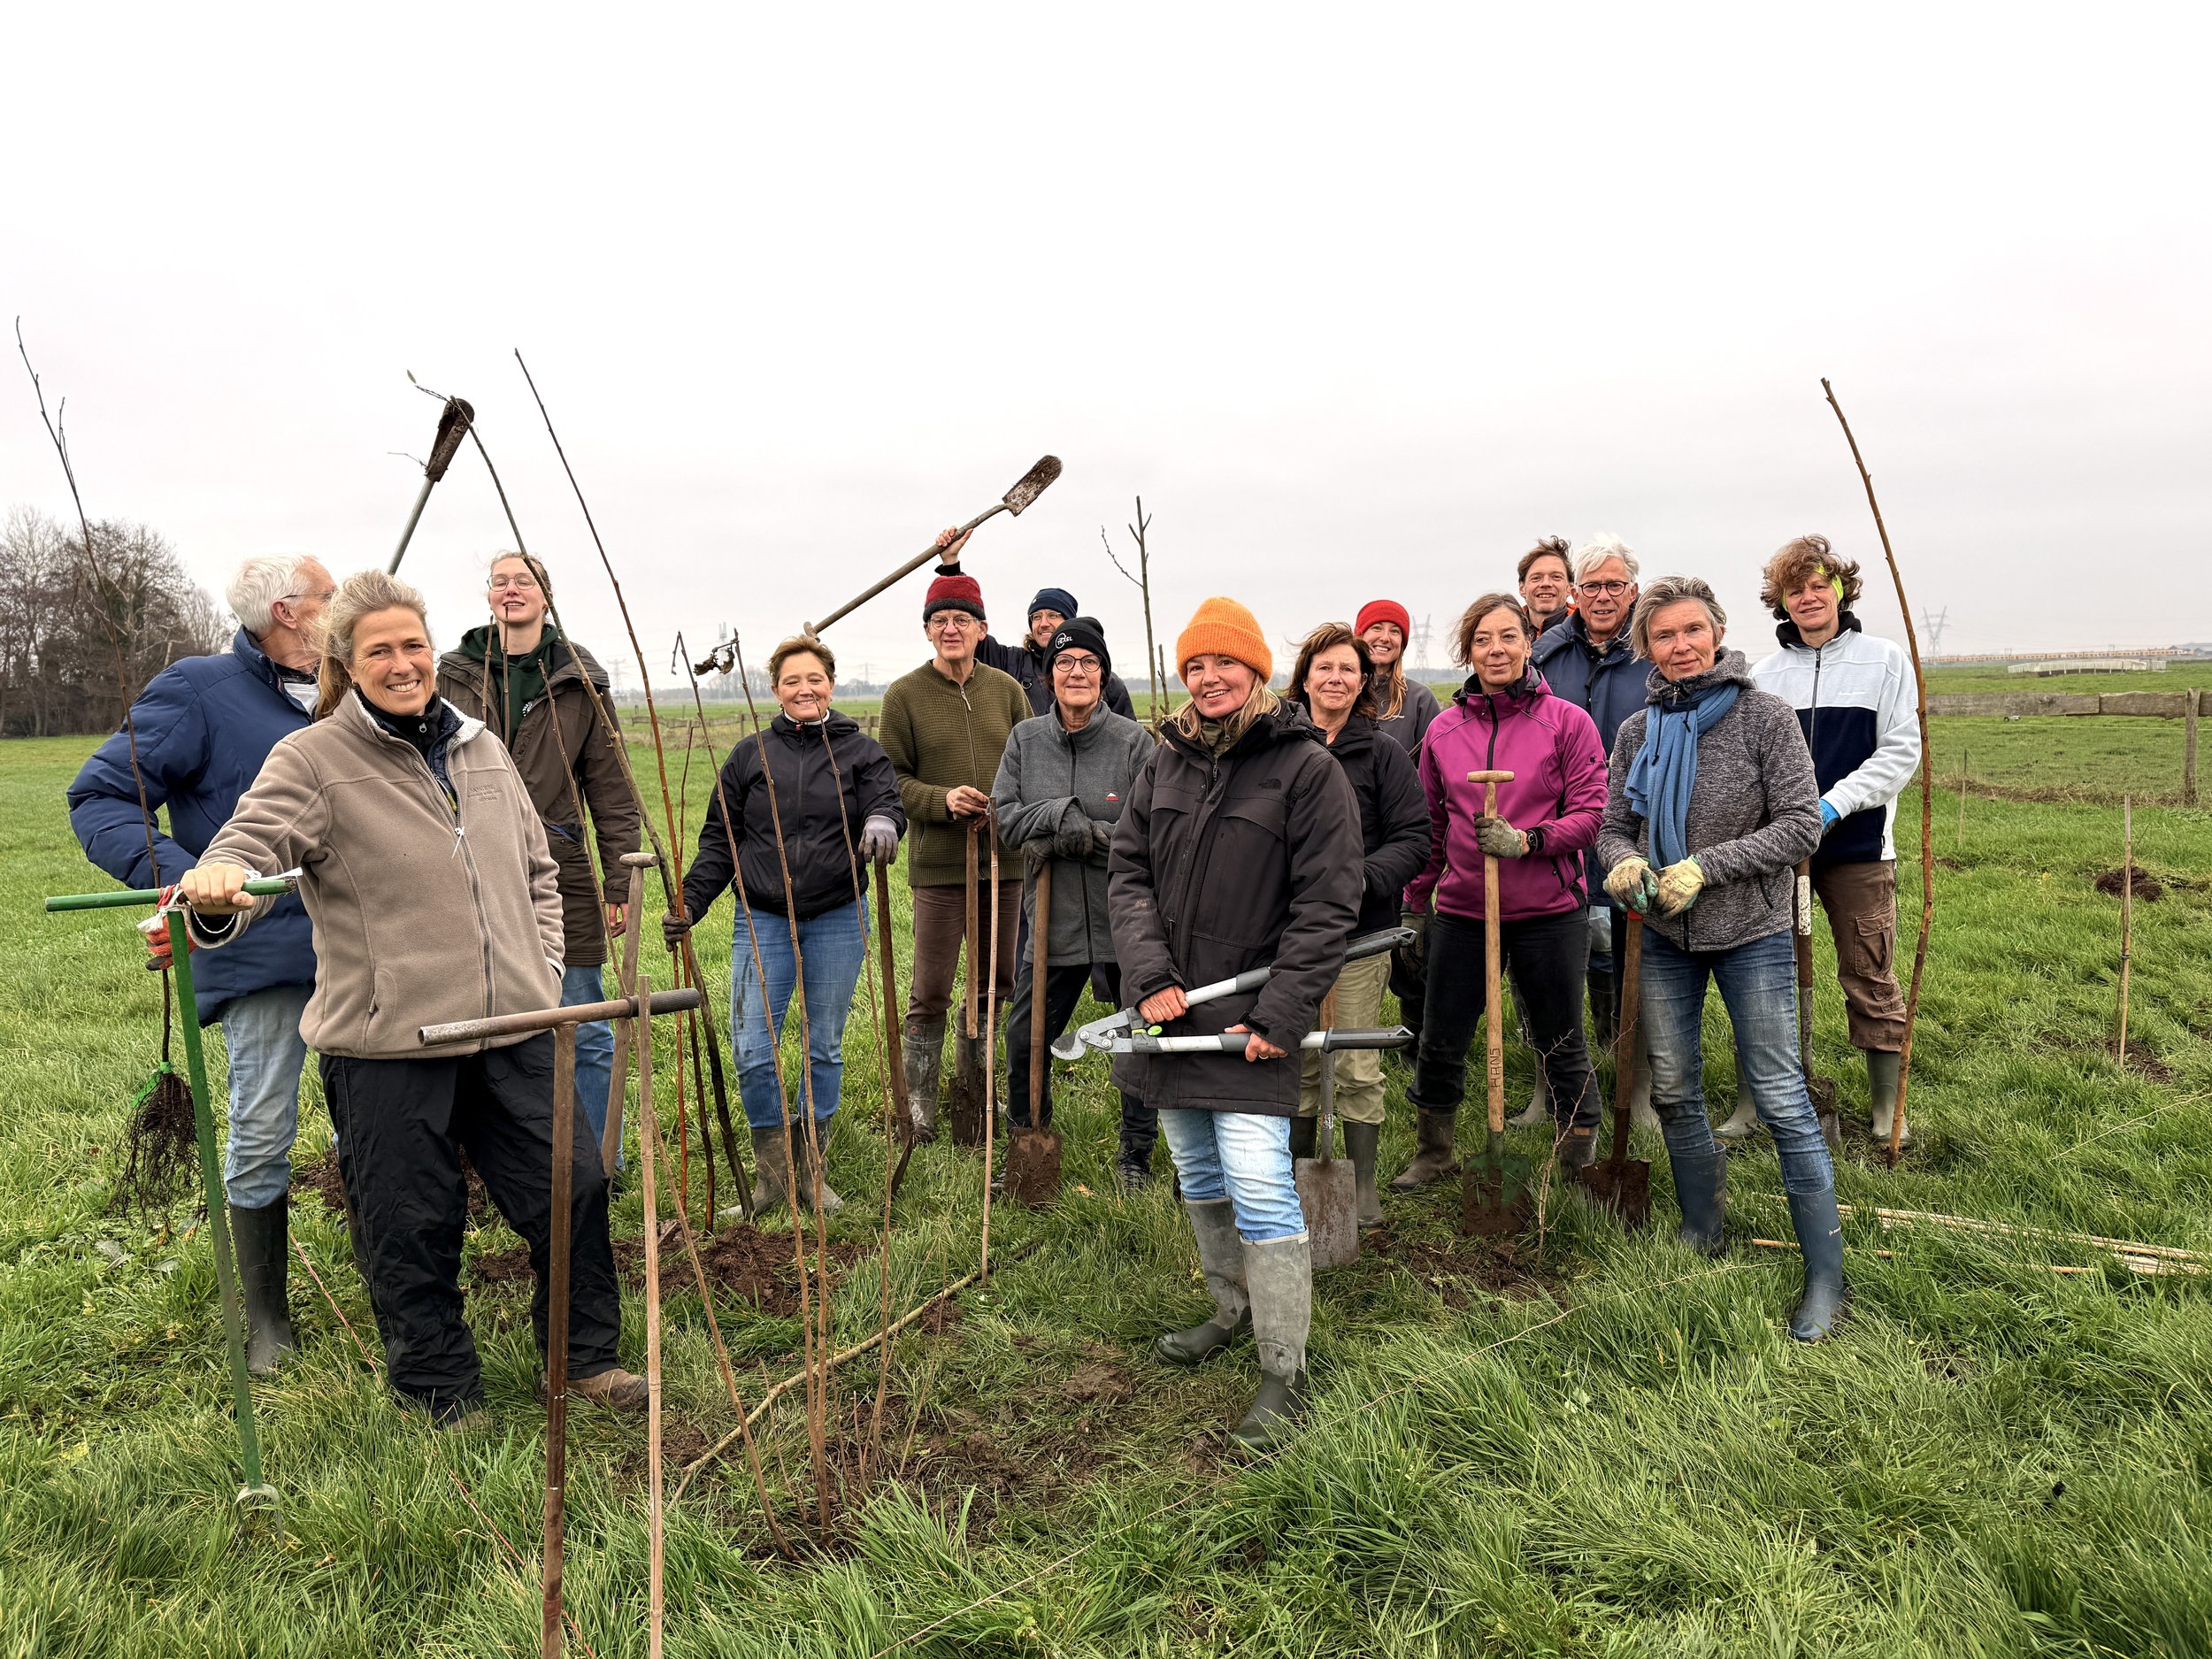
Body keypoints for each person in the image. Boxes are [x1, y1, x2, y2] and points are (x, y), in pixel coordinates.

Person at [174, 570, 646, 1425]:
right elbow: (248, 842)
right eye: (380, 650)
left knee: (573, 1185)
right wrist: (219, 883)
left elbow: (539, 868)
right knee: (410, 1222)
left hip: (514, 1024)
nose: (403, 663)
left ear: (435, 650)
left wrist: (539, 965)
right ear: (347, 665)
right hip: (388, 1043)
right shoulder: (313, 758)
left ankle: (582, 1358)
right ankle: (439, 1392)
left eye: (414, 644)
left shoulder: (481, 747)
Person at [66, 552, 332, 1376]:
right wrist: (182, 878)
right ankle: (265, 1321)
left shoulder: (343, 689)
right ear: (287, 611)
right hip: (263, 952)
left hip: (366, 945)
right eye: (327, 597)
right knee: (262, 1127)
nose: (338, 605)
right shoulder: (199, 690)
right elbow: (100, 795)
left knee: (379, 1116)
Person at [1110, 597, 1362, 1451]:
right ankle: (1230, 1309)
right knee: (1195, 1166)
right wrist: (1147, 976)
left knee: (1258, 1179)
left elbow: (1328, 904)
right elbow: (1129, 871)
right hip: (1171, 1012)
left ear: (1256, 670)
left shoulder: (1304, 768)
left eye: (1225, 663)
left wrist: (1283, 1012)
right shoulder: (1163, 761)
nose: (1209, 678)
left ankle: (1283, 1368)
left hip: (1253, 1017)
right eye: (1195, 666)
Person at [1597, 575, 1843, 1341]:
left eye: (1693, 630)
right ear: (1647, 647)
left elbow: (1803, 825)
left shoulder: (1764, 717)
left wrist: (1708, 864)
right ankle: (1704, 1228)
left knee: (1777, 1092)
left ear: (1717, 632)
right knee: (1672, 1088)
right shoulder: (1637, 730)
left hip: (1752, 932)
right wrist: (1625, 863)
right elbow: (1614, 825)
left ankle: (1825, 1275)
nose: (1681, 645)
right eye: (1664, 635)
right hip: (1665, 935)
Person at [666, 635, 904, 1215]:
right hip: (763, 916)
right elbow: (721, 839)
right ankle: (773, 1177)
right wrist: (690, 902)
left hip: (837, 914)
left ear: (831, 683)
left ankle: (811, 1172)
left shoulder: (861, 752)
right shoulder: (750, 756)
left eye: (815, 678)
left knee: (822, 1047)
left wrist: (881, 824)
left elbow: (887, 803)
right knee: (752, 1048)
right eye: (793, 681)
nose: (805, 689)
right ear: (775, 690)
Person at [1393, 595, 1609, 1188]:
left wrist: (1529, 841)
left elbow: (1591, 815)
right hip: (1464, 910)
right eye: (1483, 639)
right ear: (1469, 651)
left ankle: (1576, 1155)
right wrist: (1418, 903)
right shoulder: (1444, 730)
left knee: (1559, 1034)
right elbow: (1433, 827)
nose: (1496, 649)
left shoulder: (1566, 722)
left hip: (1549, 909)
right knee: (1442, 1034)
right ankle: (1434, 1151)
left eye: (1508, 637)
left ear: (1528, 644)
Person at [437, 553, 640, 1163]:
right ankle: (491, 1157)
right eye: (500, 580)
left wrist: (619, 882)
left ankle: (600, 1159)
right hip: (463, 868)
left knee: (582, 1013)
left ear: (546, 597)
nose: (511, 589)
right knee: (474, 1016)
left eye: (524, 580)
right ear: (488, 595)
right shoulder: (451, 674)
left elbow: (611, 790)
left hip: (560, 869)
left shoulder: (580, 677)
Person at [1744, 535, 1920, 1144]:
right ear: (1781, 601)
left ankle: (1885, 1109)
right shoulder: (1761, 677)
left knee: (1869, 974)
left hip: (1858, 853)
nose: (1809, 596)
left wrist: (1832, 804)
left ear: (1841, 589)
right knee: (1763, 974)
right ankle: (1756, 1098)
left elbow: (1900, 751)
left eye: (1821, 583)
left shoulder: (1885, 661)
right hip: (1778, 857)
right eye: (1796, 589)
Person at [992, 616, 1161, 1187]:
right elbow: (1005, 820)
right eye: (1064, 663)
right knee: (1025, 1033)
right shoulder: (1025, 740)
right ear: (1048, 677)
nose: (1077, 672)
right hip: (1053, 916)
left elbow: (1148, 837)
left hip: (1126, 919)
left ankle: (1136, 1153)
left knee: (1138, 1033)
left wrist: (1083, 837)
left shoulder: (1134, 744)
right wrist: (1065, 817)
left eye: (1088, 662)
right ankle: (1027, 1133)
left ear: (1103, 673)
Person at [879, 565, 1035, 1138]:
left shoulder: (1007, 691)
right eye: (940, 619)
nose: (951, 628)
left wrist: (1009, 804)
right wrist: (942, 799)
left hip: (1004, 861)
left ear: (981, 628)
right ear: (927, 631)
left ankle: (977, 1097)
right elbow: (889, 780)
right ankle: (918, 1113)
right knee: (930, 989)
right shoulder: (904, 696)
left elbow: (1031, 761)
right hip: (941, 868)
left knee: (996, 984)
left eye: (962, 619)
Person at [1282, 623, 1430, 1226]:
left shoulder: (1382, 754)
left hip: (1360, 936)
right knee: (1296, 1064)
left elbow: (1415, 839)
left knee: (1355, 1061)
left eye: (1348, 668)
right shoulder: (1279, 748)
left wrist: (1358, 878)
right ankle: (1300, 1182)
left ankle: (1362, 1186)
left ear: (1363, 680)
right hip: (1287, 939)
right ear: (1306, 678)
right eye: (1325, 668)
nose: (1336, 678)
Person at [1529, 533, 1649, 1123]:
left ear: (1635, 589)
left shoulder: (1655, 649)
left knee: (1638, 959)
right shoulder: (1548, 652)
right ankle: (1546, 1088)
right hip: (1560, 831)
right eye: (1592, 586)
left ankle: (1640, 1087)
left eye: (1615, 585)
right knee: (1553, 964)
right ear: (1575, 593)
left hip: (1635, 829)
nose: (1603, 596)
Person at [927, 527, 1137, 717]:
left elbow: (1128, 740)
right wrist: (951, 567)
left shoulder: (1105, 681)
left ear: (1070, 622)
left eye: (1053, 615)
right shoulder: (1013, 662)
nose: (1043, 623)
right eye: (1036, 617)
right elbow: (969, 635)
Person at [1355, 599, 1440, 757]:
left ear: (1402, 643)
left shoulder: (1420, 699)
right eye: (1377, 628)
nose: (1385, 638)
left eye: (1395, 631)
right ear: (1359, 637)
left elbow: (1432, 767)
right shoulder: (1340, 691)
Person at [1517, 535, 1575, 638]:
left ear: (1570, 588)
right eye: (1536, 578)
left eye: (1556, 577)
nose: (1546, 583)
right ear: (1522, 588)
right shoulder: (1503, 633)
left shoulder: (1589, 634)